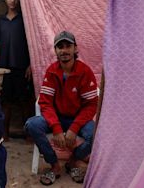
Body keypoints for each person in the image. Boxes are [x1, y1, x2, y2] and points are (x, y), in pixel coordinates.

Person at [25, 31, 98, 185]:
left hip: (78, 119)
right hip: (56, 117)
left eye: (68, 46)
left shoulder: (85, 72)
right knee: (32, 125)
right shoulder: (52, 71)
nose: (64, 50)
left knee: (97, 133)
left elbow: (91, 105)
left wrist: (74, 128)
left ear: (75, 49)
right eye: (60, 47)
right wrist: (57, 128)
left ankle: (73, 161)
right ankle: (55, 166)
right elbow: (45, 103)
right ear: (55, 50)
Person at [0, 0, 33, 139]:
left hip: (21, 66)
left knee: (24, 101)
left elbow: (31, 43)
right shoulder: (0, 21)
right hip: (5, 68)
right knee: (6, 102)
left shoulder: (24, 21)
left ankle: (29, 134)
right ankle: (5, 133)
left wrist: (30, 64)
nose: (13, 1)